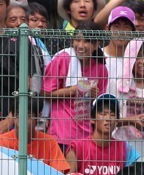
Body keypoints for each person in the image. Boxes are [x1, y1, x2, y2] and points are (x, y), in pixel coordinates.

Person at [42, 22, 108, 150]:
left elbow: (100, 104)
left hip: (87, 135)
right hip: (61, 134)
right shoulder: (63, 59)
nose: (81, 46)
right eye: (77, 40)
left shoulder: (101, 69)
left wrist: (95, 97)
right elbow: (45, 93)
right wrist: (74, 89)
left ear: (96, 45)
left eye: (87, 41)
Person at [66, 93, 140, 175]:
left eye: (112, 114)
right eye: (103, 114)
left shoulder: (125, 148)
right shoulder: (77, 148)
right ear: (92, 119)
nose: (108, 119)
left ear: (117, 121)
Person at [0, 97, 71, 174]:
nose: (22, 120)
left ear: (38, 116)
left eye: (28, 115)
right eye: (18, 115)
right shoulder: (1, 141)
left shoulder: (50, 142)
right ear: (12, 116)